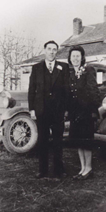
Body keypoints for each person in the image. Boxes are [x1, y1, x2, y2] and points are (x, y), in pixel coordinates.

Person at [28, 40, 70, 179]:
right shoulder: (36, 68)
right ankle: (42, 170)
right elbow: (31, 90)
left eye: (54, 49)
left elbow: (66, 91)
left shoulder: (63, 67)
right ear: (44, 50)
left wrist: (65, 109)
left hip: (58, 111)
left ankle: (59, 170)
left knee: (58, 141)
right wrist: (32, 109)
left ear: (56, 52)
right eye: (49, 49)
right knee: (43, 140)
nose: (52, 52)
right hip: (42, 110)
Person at [68, 45, 101, 180]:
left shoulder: (88, 70)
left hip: (86, 113)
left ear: (82, 58)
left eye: (78, 56)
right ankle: (82, 168)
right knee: (78, 141)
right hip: (75, 113)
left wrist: (92, 110)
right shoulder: (71, 73)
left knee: (86, 142)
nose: (75, 58)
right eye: (73, 56)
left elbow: (93, 91)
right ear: (70, 58)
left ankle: (89, 168)